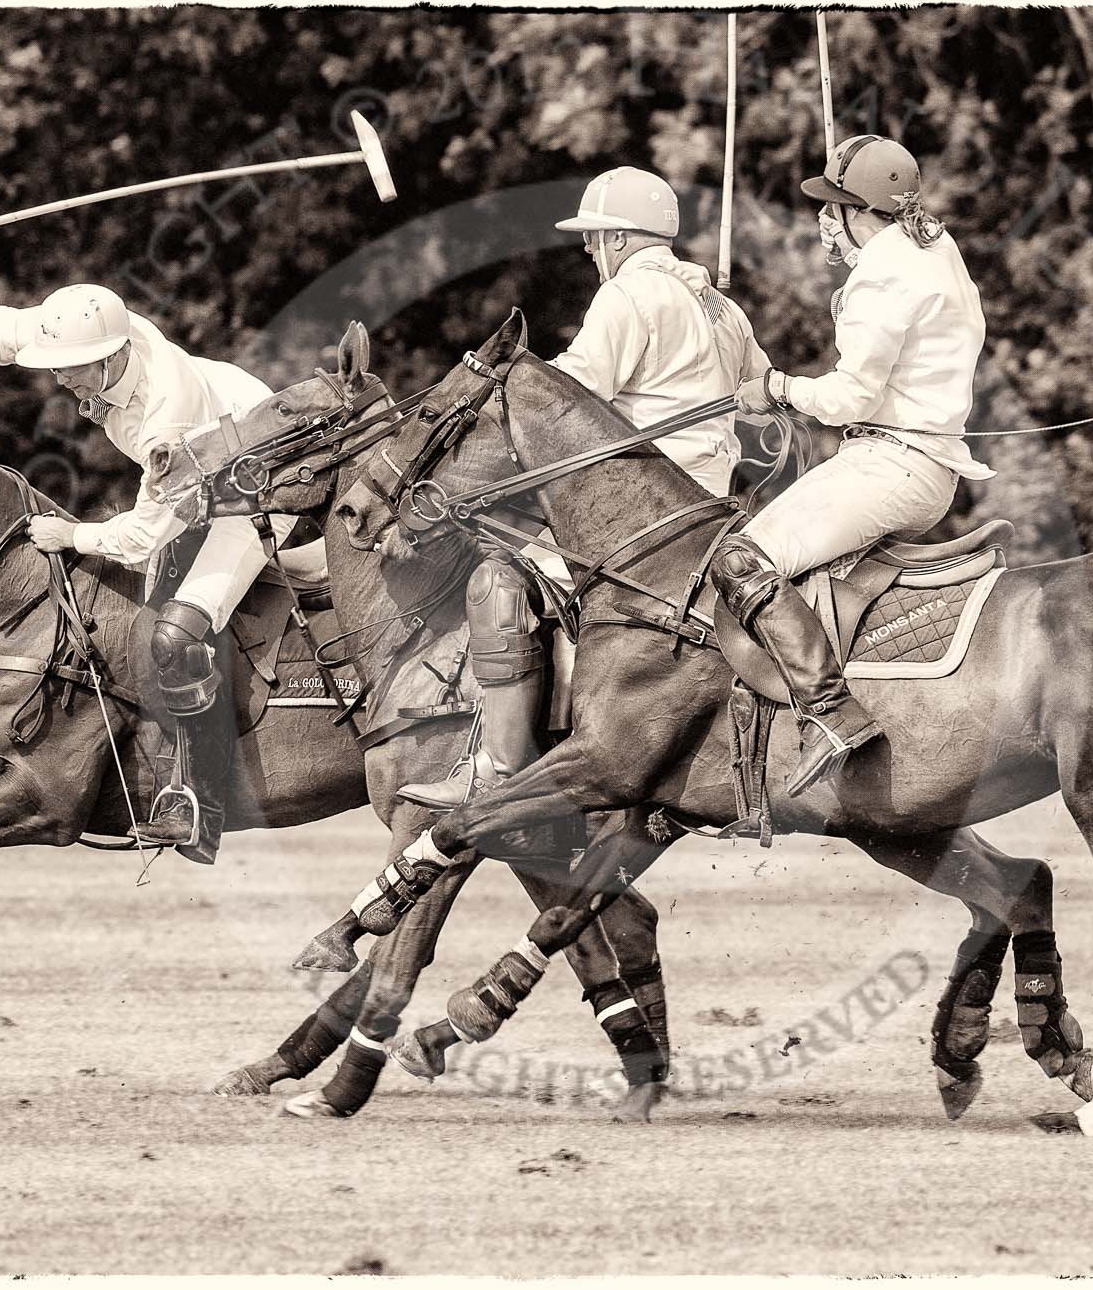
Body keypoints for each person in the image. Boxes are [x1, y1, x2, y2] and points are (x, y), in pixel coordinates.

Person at [0, 233, 296, 862]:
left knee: (177, 631)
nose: (57, 377)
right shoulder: (88, 327)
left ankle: (198, 806)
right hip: (205, 471)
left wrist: (73, 535)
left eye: (67, 368)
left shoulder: (167, 413)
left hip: (257, 485)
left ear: (111, 358)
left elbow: (147, 532)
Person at [397, 167, 769, 809]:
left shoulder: (627, 297)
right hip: (709, 513)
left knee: (498, 582)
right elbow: (763, 404)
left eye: (595, 238)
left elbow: (564, 401)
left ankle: (497, 768)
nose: (590, 251)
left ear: (622, 238)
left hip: (636, 515)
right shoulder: (723, 308)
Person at [724, 134, 997, 796]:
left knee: (741, 557)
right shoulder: (935, 245)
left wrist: (776, 389)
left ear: (858, 210)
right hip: (922, 465)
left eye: (833, 205)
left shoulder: (884, 273)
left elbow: (849, 395)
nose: (824, 218)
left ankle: (830, 712)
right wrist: (855, 255)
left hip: (890, 463)